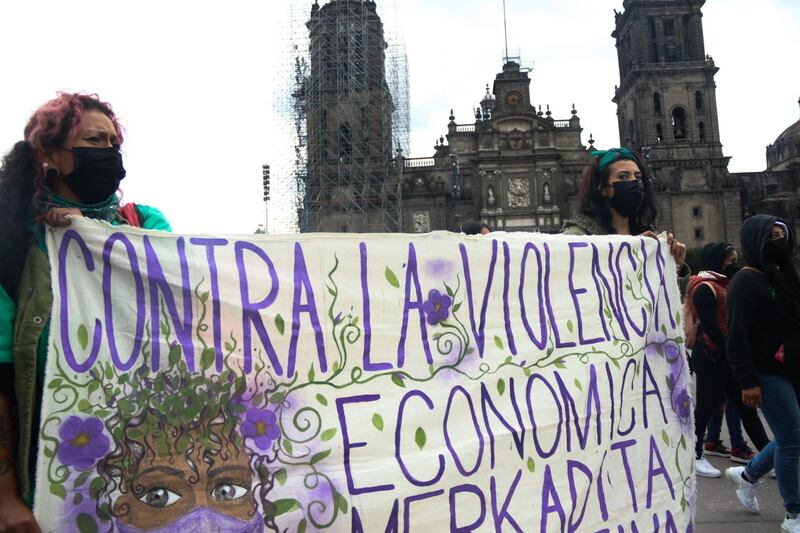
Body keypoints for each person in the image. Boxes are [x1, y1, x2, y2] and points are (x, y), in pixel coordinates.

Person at [0, 92, 171, 532]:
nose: (110, 153)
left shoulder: (145, 223)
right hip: (48, 475)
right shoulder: (13, 246)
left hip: (146, 464)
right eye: (95, 141)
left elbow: (175, 291)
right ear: (50, 155)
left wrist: (90, 232)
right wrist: (5, 494)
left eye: (114, 143)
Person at [725, 215, 800, 531]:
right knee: (793, 440)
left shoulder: (782, 276)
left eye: (782, 233)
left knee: (792, 437)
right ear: (756, 240)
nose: (778, 239)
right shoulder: (745, 280)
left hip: (792, 368)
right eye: (771, 235)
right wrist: (748, 380)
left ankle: (748, 475)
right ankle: (794, 513)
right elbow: (737, 335)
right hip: (766, 372)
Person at [687, 242, 769, 478]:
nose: (734, 264)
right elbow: (711, 326)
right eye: (729, 261)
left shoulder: (720, 283)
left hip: (724, 356)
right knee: (704, 409)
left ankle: (768, 456)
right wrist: (732, 350)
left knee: (746, 409)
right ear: (717, 260)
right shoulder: (705, 287)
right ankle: (695, 455)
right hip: (712, 356)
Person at [561, 147, 688, 275]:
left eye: (638, 177)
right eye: (623, 176)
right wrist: (625, 251)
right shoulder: (577, 237)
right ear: (602, 188)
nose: (634, 182)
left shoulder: (648, 240)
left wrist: (675, 268)